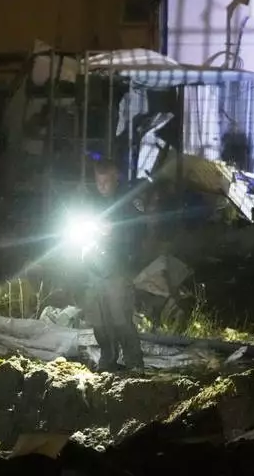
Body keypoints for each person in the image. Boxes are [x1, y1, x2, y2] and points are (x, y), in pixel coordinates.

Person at [79, 157, 147, 372]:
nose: (102, 187)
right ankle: (107, 359)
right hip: (94, 269)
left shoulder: (128, 202)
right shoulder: (91, 201)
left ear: (115, 178)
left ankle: (134, 362)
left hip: (118, 268)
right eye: (98, 182)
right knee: (99, 321)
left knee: (120, 319)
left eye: (106, 182)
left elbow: (139, 232)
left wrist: (115, 231)